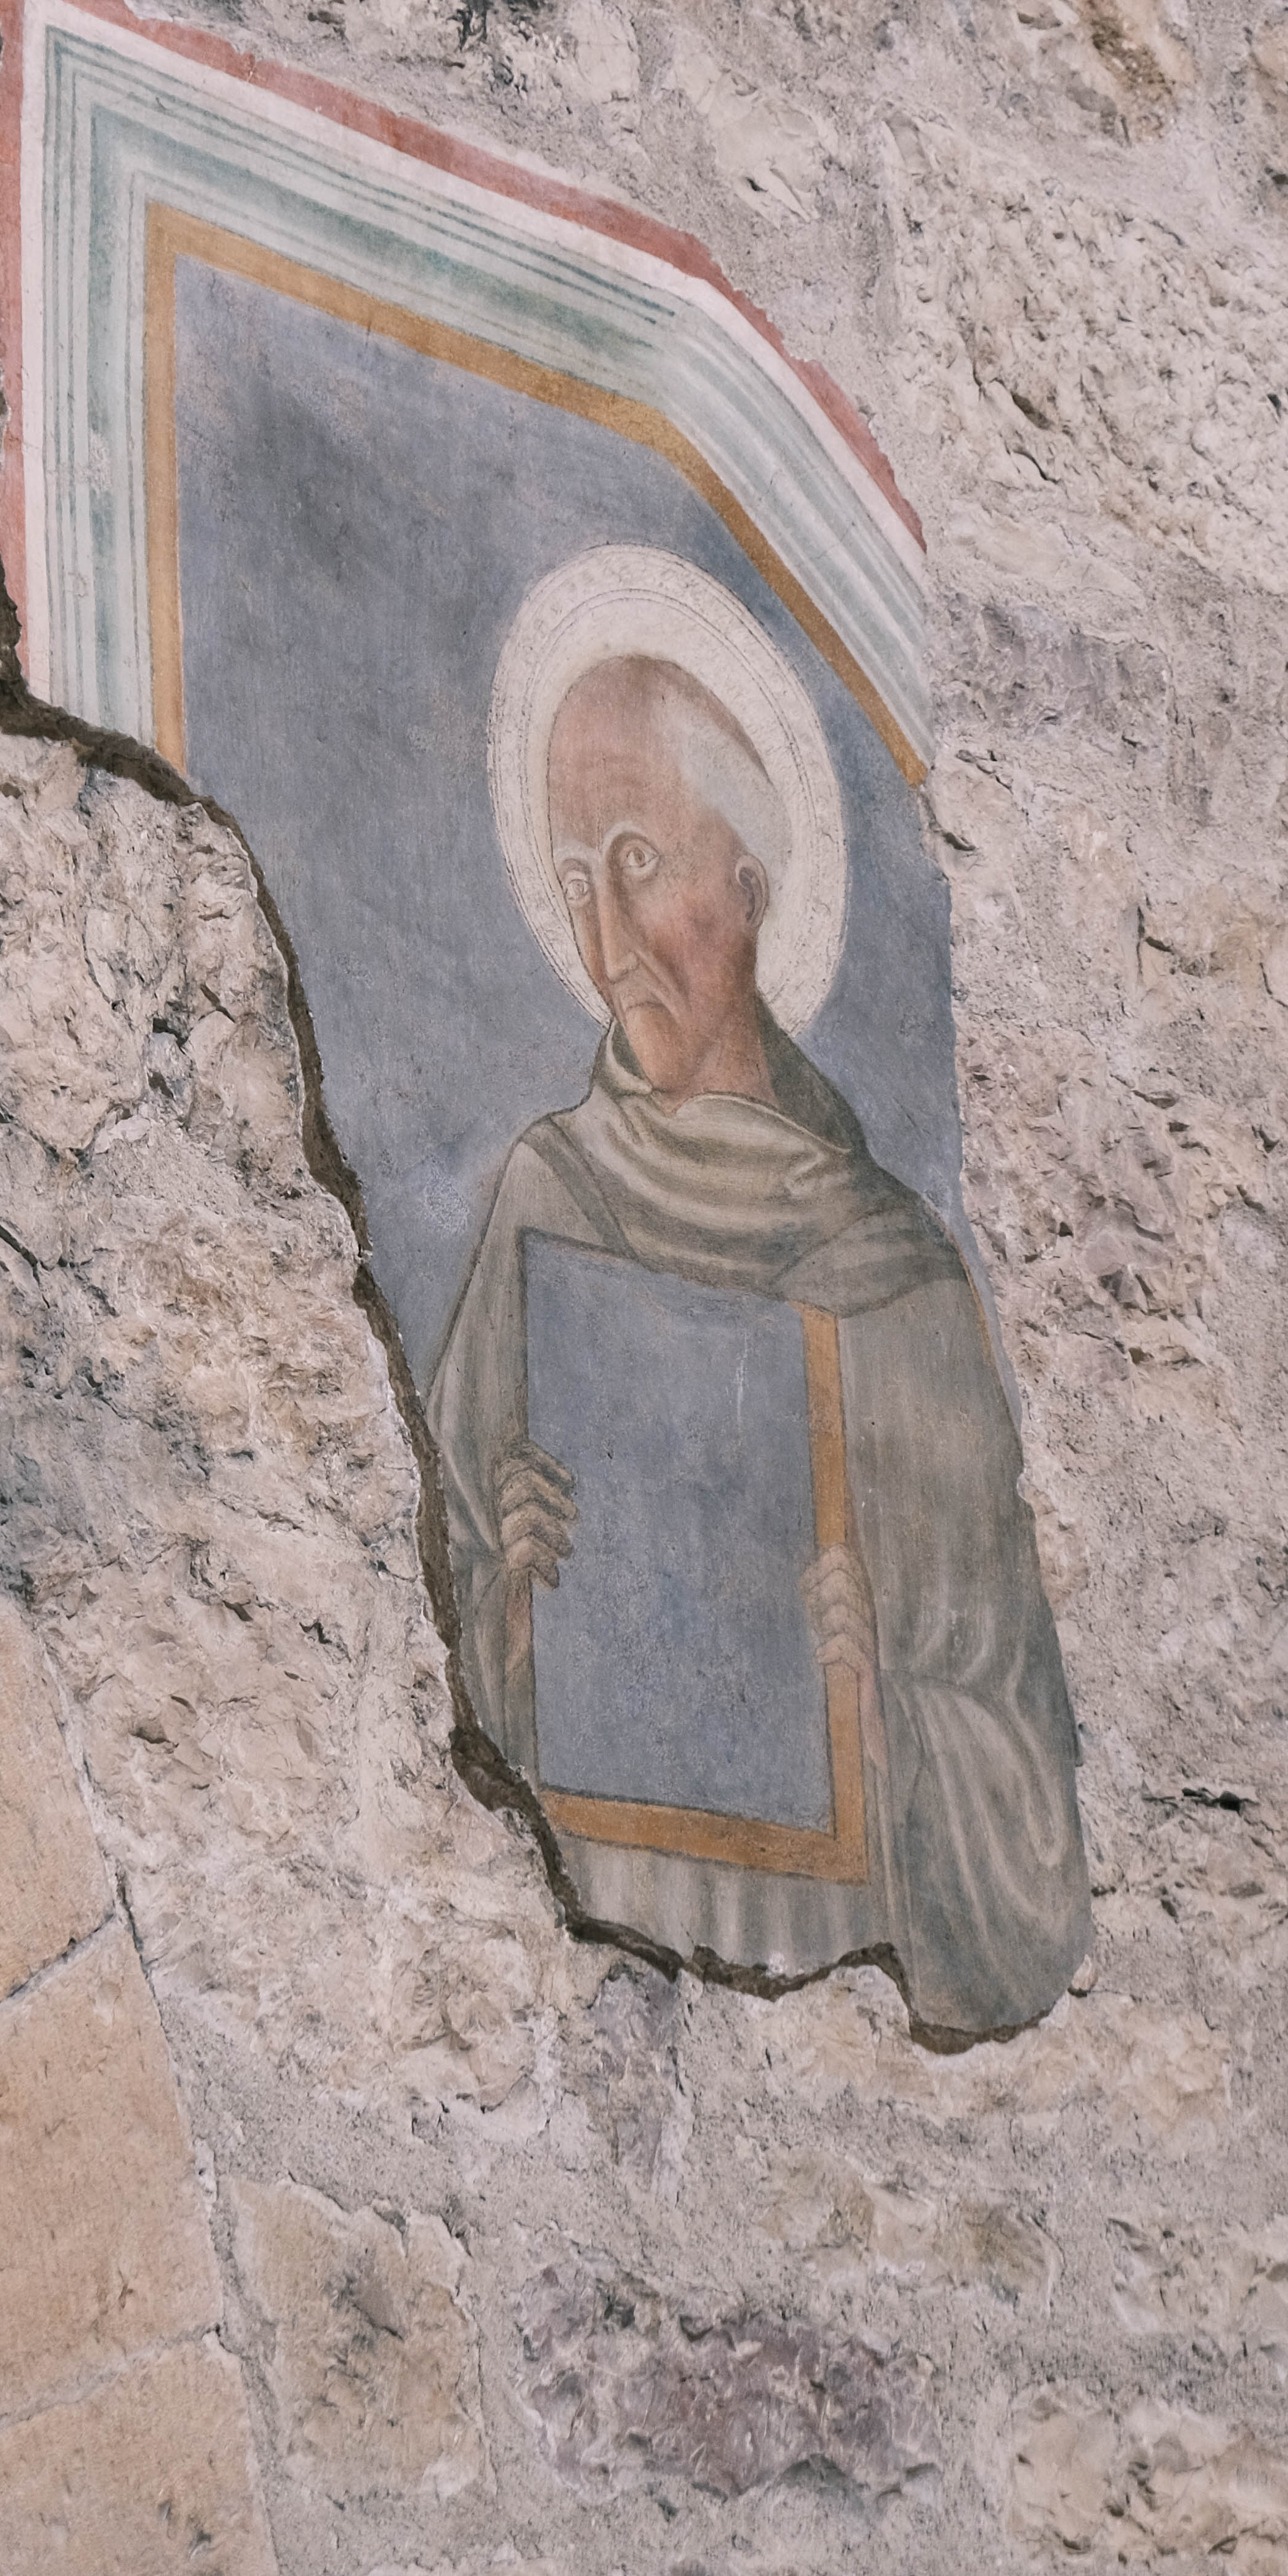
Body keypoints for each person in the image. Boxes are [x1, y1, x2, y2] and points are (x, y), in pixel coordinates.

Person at [428, 649, 1090, 2038]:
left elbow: (1035, 1819)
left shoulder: (906, 1285)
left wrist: (888, 1711)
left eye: (639, 860)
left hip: (835, 2013)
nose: (608, 942)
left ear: (752, 879)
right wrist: (514, 1605)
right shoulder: (547, 1206)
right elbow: (405, 1659)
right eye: (573, 881)